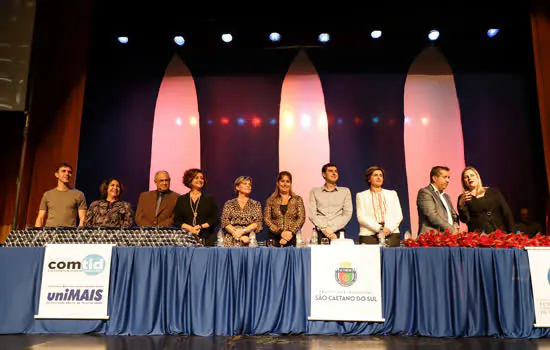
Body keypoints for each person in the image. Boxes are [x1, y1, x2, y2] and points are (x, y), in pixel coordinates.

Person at [457, 166, 514, 233]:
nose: (469, 178)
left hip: (499, 233)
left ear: (477, 177)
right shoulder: (463, 198)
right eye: (466, 177)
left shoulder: (493, 192)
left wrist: (512, 232)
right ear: (464, 181)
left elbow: (506, 213)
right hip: (478, 237)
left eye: (472, 175)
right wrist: (461, 205)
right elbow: (465, 219)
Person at [356, 166, 403, 246]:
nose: (378, 177)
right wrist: (379, 229)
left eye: (381, 175)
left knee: (390, 258)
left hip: (391, 232)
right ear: (369, 179)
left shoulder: (392, 194)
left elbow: (398, 215)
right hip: (369, 233)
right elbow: (361, 217)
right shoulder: (361, 195)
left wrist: (388, 230)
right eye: (375, 175)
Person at [173, 168, 220, 246]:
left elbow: (215, 218)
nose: (200, 180)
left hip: (206, 238)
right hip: (186, 238)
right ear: (189, 180)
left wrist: (201, 227)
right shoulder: (182, 199)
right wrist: (190, 228)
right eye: (196, 178)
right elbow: (177, 220)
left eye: (202, 178)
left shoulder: (209, 199)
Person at [308, 163, 353, 241]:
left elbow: (347, 214)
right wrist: (324, 228)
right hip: (320, 233)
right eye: (330, 171)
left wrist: (332, 228)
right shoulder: (314, 192)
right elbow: (312, 214)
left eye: (336, 171)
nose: (334, 173)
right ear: (324, 174)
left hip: (338, 233)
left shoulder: (345, 191)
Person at [35, 162, 87, 227]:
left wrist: (78, 234)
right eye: (63, 171)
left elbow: (83, 218)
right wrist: (36, 235)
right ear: (57, 175)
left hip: (68, 234)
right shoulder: (47, 195)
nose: (67, 174)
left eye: (69, 172)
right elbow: (40, 217)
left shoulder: (78, 195)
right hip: (49, 233)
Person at [264, 171, 306, 247]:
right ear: (278, 183)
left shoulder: (297, 199)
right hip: (274, 238)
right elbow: (267, 220)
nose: (285, 184)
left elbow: (301, 218)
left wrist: (290, 233)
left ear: (290, 184)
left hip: (292, 238)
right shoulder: (270, 200)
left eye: (287, 181)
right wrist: (281, 233)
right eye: (282, 181)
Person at [221, 176, 263, 247]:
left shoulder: (255, 204)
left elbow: (257, 223)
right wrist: (238, 236)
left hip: (248, 239)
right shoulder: (229, 203)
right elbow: (225, 222)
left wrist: (242, 231)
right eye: (245, 183)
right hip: (231, 239)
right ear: (237, 187)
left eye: (249, 184)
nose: (248, 186)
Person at [417, 166, 459, 235]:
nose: (448, 180)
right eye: (444, 177)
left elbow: (454, 215)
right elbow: (432, 216)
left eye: (448, 178)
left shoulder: (446, 196)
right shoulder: (425, 192)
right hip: (432, 239)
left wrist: (455, 227)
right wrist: (451, 229)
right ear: (435, 178)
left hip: (449, 238)